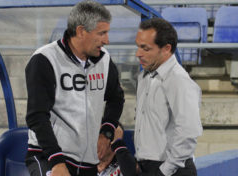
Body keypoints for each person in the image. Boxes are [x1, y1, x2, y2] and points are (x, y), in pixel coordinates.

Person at [24, 1, 125, 176]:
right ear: (81, 31)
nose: (106, 40)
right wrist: (56, 161)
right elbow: (37, 116)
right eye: (102, 33)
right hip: (49, 158)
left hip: (88, 163)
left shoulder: (105, 60)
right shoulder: (45, 59)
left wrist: (106, 132)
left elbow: (116, 98)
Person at [134, 18, 203, 176]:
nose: (138, 54)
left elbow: (188, 132)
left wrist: (164, 171)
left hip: (171, 170)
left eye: (145, 48)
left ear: (166, 49)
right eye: (138, 47)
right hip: (147, 167)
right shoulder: (143, 77)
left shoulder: (179, 80)